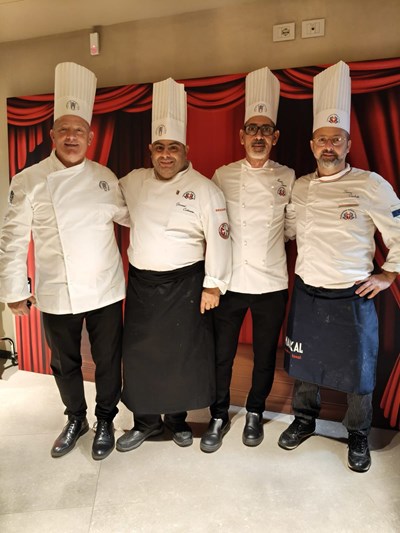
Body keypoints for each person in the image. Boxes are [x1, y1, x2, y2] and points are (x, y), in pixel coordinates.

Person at [0, 62, 129, 461]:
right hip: (57, 288)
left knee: (108, 360)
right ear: (52, 135)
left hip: (105, 287)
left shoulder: (106, 176)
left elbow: (132, 217)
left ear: (90, 137)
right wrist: (13, 290)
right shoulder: (28, 180)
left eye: (79, 131)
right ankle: (76, 418)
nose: (72, 137)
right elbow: (12, 239)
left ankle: (105, 418)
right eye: (65, 130)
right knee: (63, 362)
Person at [279, 61, 400, 472]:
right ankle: (304, 420)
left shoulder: (370, 184)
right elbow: (288, 228)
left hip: (352, 293)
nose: (328, 146)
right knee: (304, 363)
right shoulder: (300, 186)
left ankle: (358, 435)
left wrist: (388, 275)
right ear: (312, 144)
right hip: (308, 289)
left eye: (336, 139)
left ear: (348, 144)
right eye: (322, 139)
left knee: (359, 372)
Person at [116, 77, 232, 452]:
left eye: (174, 148)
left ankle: (177, 420)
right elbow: (114, 209)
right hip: (142, 285)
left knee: (182, 354)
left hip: (186, 285)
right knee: (141, 355)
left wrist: (213, 285)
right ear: (150, 150)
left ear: (186, 150)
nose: (166, 155)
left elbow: (220, 239)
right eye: (160, 148)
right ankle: (146, 423)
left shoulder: (205, 188)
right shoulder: (133, 182)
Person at [200, 67, 295, 453]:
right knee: (221, 355)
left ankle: (255, 411)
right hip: (230, 282)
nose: (258, 136)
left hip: (272, 282)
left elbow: (291, 227)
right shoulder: (221, 175)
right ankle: (219, 413)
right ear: (241, 136)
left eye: (265, 130)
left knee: (264, 355)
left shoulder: (288, 176)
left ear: (275, 137)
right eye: (252, 129)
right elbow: (213, 227)